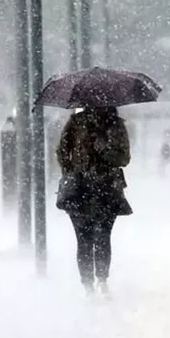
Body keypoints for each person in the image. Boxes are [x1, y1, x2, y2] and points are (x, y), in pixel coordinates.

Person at [56, 106, 132, 297]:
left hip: (106, 188)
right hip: (80, 189)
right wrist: (73, 170)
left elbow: (124, 158)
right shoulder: (76, 123)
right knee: (84, 239)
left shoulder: (115, 125)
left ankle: (101, 279)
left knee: (103, 236)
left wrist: (105, 150)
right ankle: (88, 283)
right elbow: (62, 152)